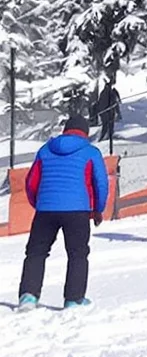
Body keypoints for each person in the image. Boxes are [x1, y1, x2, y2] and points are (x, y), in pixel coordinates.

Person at [16, 114, 109, 309]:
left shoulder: (45, 150)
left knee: (36, 252)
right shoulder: (91, 152)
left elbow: (31, 182)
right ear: (85, 133)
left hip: (45, 209)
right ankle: (74, 299)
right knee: (77, 253)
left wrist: (39, 203)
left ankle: (28, 296)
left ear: (65, 130)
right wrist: (98, 209)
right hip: (77, 210)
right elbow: (101, 183)